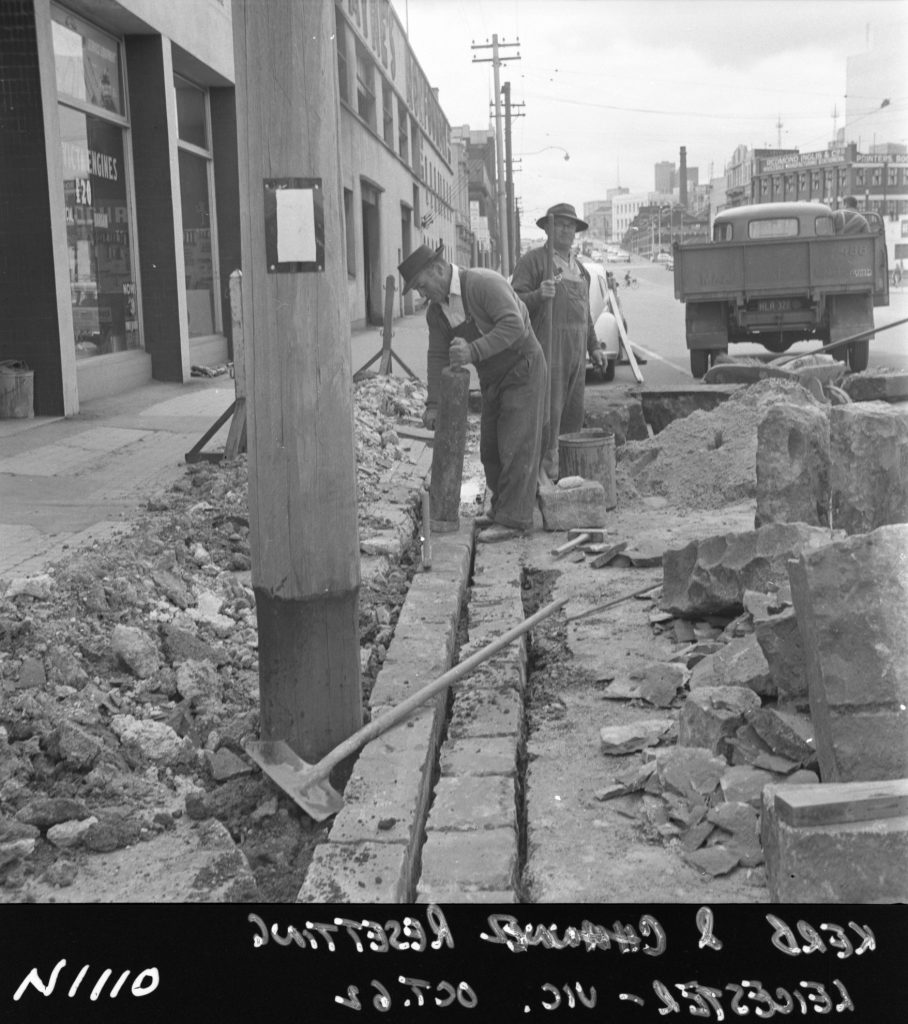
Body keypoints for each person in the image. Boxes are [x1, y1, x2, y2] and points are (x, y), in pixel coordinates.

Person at [398, 244, 546, 543]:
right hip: (493, 378)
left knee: (516, 444)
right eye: (417, 290)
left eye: (422, 286)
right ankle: (500, 509)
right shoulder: (436, 313)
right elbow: (438, 356)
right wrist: (433, 404)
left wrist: (473, 350)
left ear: (438, 270)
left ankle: (516, 520)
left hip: (523, 368)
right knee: (490, 448)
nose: (422, 295)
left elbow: (514, 325)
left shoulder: (482, 283)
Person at [511, 203, 606, 480]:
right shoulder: (534, 262)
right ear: (547, 228)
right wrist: (538, 295)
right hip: (547, 351)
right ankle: (540, 477)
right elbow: (513, 304)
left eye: (570, 225)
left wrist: (594, 346)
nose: (566, 229)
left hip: (576, 355)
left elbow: (585, 315)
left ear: (576, 231)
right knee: (547, 415)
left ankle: (566, 474)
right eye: (560, 224)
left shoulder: (581, 270)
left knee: (572, 414)